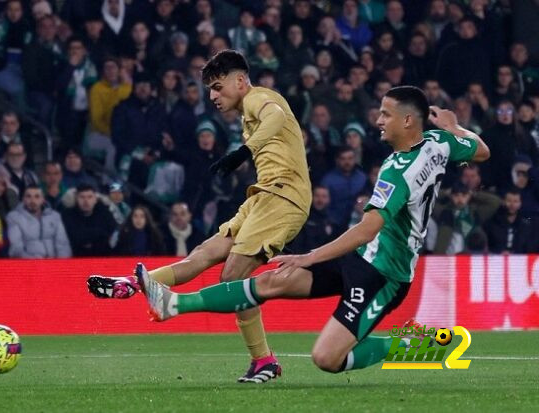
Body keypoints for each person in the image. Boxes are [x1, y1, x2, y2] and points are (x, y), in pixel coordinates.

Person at [136, 86, 490, 377]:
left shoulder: (398, 173)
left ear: (408, 120)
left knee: (327, 359)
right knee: (276, 280)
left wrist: (310, 256)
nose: (378, 120)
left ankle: (415, 346)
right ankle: (174, 303)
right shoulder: (438, 143)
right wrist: (454, 126)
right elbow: (482, 150)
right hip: (360, 259)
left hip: (385, 275)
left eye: (385, 114)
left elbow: (367, 229)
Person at [88, 50, 312, 383]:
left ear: (240, 81)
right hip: (263, 196)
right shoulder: (248, 109)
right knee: (204, 254)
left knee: (233, 278)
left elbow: (276, 117)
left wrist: (243, 152)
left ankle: (262, 358)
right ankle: (134, 284)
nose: (213, 96)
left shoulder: (258, 98)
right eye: (210, 89)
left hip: (284, 196)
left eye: (218, 87)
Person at [6, 185, 72, 258]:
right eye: (28, 196)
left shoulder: (54, 216)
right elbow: (16, 248)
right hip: (29, 264)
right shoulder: (14, 217)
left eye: (37, 196)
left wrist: (61, 265)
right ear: (23, 199)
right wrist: (36, 263)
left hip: (54, 263)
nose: (32, 201)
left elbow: (62, 244)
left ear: (43, 200)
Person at [61, 183, 116, 257]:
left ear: (95, 199)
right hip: (77, 257)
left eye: (90, 197)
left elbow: (110, 231)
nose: (86, 201)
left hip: (102, 256)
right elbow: (74, 237)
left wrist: (88, 237)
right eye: (82, 197)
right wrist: (97, 234)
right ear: (76, 199)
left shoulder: (104, 212)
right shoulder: (68, 215)